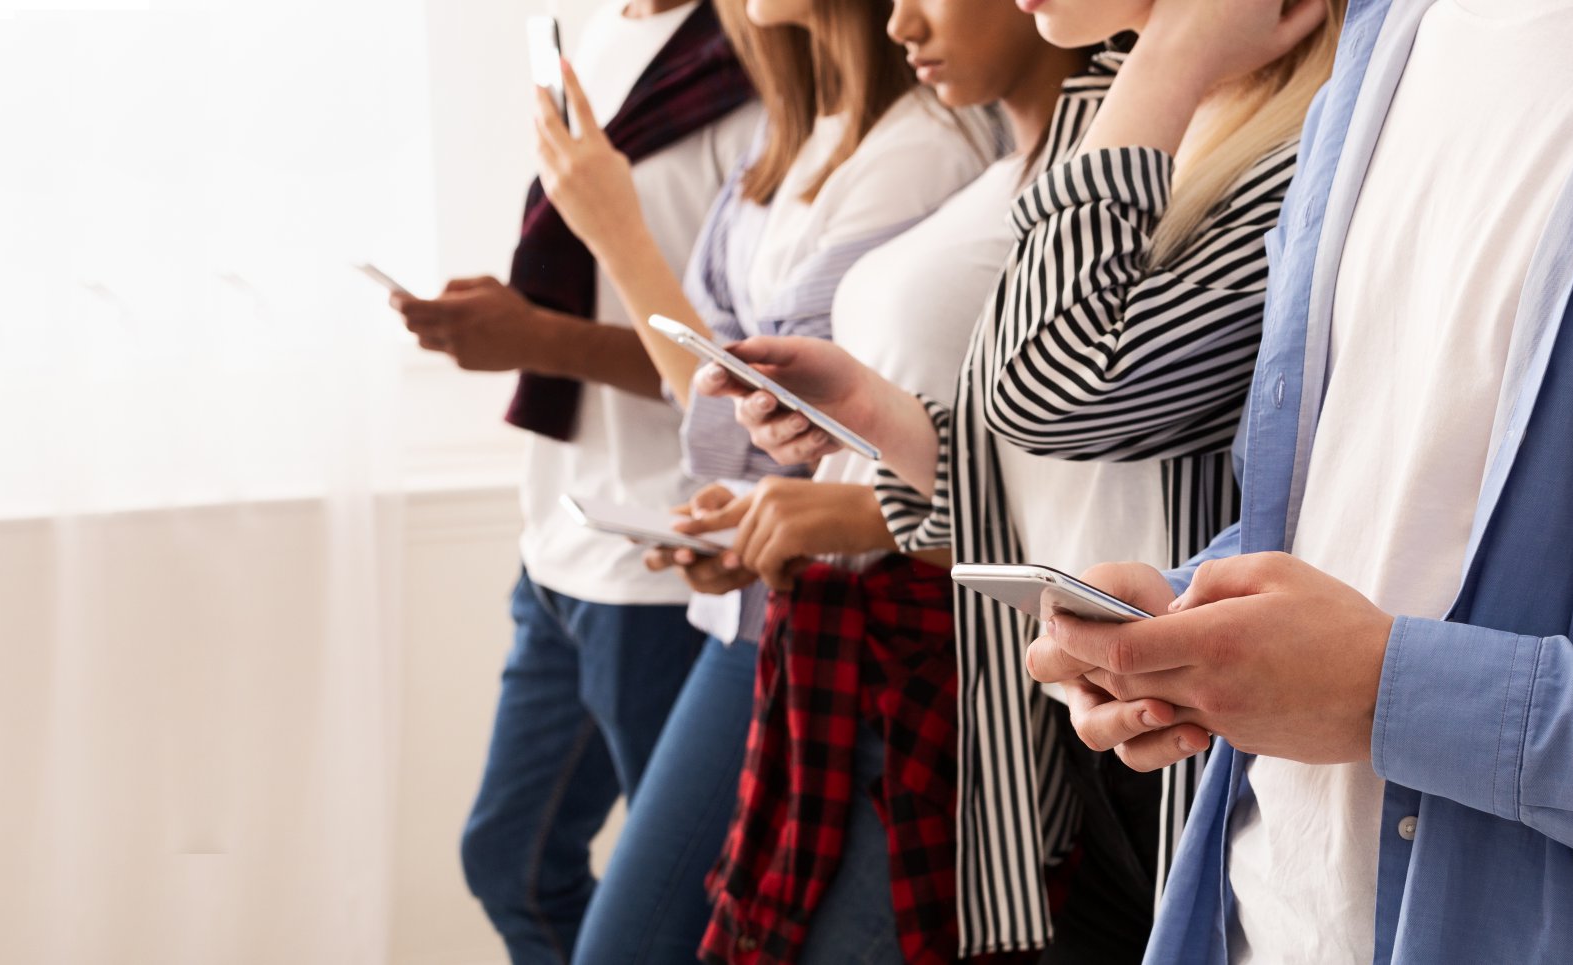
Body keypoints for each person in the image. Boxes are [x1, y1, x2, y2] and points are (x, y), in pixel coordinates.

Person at [1026, 0, 1573, 963]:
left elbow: (1060, 383)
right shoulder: (1387, 38)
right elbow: (1351, 504)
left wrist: (1391, 690)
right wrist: (1191, 617)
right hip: (1253, 915)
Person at [704, 0, 1340, 958]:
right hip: (1084, 732)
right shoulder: (1137, 112)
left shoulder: (1295, 139)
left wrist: (1164, 57)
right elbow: (1052, 456)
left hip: (1199, 753)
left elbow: (1058, 387)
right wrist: (881, 418)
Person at [531, 0, 997, 959]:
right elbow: (728, 418)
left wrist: (617, 232)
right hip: (766, 612)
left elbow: (747, 425)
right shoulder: (790, 143)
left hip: (846, 621)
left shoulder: (923, 151)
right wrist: (743, 508)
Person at [629, 2, 1087, 961]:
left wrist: (847, 510)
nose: (900, 20)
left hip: (943, 663)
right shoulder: (997, 175)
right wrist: (788, 509)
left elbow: (1090, 492)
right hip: (854, 633)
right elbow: (932, 442)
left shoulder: (1012, 174)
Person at [396, 4, 761, 962]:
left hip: (668, 558)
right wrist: (516, 319)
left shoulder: (752, 55)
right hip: (560, 538)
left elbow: (741, 371)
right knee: (508, 858)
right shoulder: (590, 34)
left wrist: (538, 340)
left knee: (678, 921)